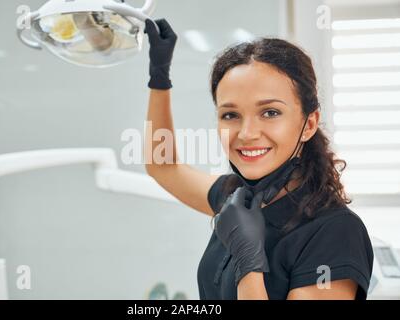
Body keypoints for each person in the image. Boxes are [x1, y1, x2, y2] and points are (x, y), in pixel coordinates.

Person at [143, 18, 374, 300]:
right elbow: (162, 166)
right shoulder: (236, 197)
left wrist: (249, 262)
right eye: (231, 115)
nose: (247, 133)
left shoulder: (335, 233)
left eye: (270, 112)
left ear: (310, 123)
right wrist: (159, 79)